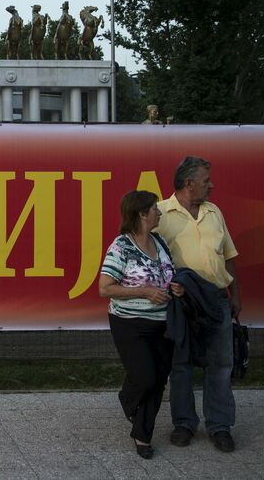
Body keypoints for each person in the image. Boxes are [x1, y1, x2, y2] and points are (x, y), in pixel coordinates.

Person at [157, 156, 241, 453]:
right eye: (206, 181)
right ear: (188, 184)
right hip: (182, 302)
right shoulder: (161, 214)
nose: (211, 185)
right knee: (180, 365)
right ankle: (183, 423)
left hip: (217, 298)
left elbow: (228, 254)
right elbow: (149, 259)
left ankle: (220, 426)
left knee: (220, 364)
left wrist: (236, 295)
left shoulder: (214, 211)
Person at [99, 190, 184, 459]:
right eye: (155, 209)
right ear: (141, 214)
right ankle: (128, 399)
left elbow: (167, 274)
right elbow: (105, 288)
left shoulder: (159, 242)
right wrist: (144, 292)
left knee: (158, 380)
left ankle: (142, 435)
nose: (159, 213)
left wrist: (176, 287)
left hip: (162, 322)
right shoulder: (121, 246)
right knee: (145, 377)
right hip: (129, 323)